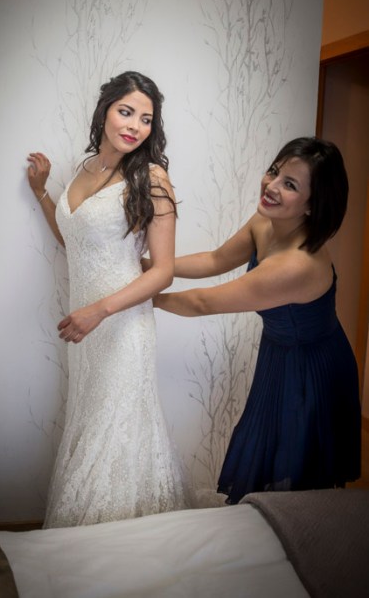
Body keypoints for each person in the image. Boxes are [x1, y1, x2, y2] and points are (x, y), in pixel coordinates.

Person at [152, 136, 361, 504]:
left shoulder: (296, 266)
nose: (271, 186)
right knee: (267, 449)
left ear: (313, 205)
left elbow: (202, 303)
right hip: (278, 352)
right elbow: (215, 260)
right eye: (274, 171)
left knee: (294, 470)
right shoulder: (266, 221)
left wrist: (142, 294)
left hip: (311, 369)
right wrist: (150, 266)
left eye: (290, 184)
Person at [27, 71, 187, 527]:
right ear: (104, 111)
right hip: (86, 330)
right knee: (90, 420)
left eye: (146, 119)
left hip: (120, 326)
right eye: (126, 112)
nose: (135, 126)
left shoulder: (152, 178)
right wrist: (42, 193)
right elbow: (73, 241)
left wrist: (98, 311)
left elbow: (163, 272)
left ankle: (115, 539)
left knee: (114, 431)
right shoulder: (85, 168)